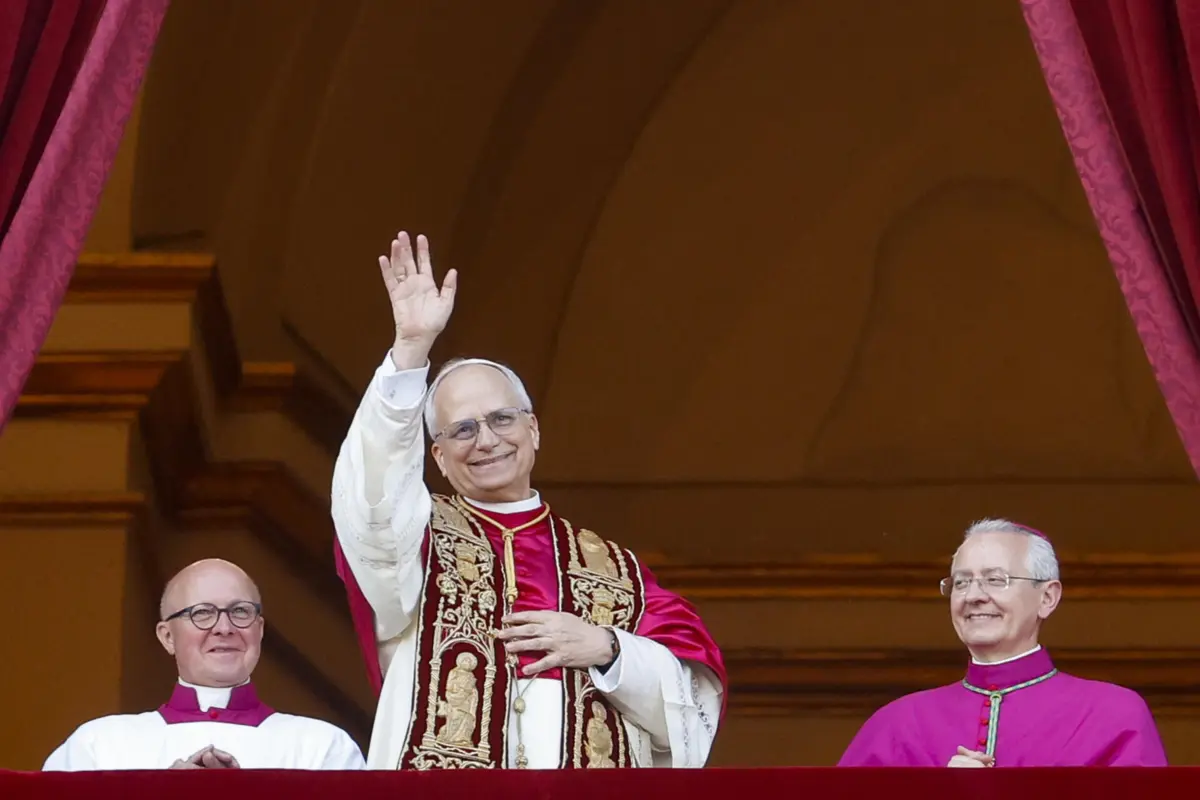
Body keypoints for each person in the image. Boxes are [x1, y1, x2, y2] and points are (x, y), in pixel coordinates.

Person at [331, 231, 727, 770]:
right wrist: (410, 353)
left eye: (501, 419)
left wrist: (609, 648)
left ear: (534, 430)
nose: (487, 440)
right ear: (439, 458)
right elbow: (370, 505)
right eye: (462, 430)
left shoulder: (614, 568)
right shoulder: (415, 539)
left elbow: (691, 702)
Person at [838, 519, 1167, 767]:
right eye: (962, 582)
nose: (975, 596)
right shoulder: (896, 724)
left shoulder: (1112, 715)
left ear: (1048, 597)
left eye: (996, 580)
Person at [43, 559, 365, 771]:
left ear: (260, 630)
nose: (224, 628)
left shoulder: (323, 748)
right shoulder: (100, 747)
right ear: (167, 636)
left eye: (240, 612)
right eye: (202, 613)